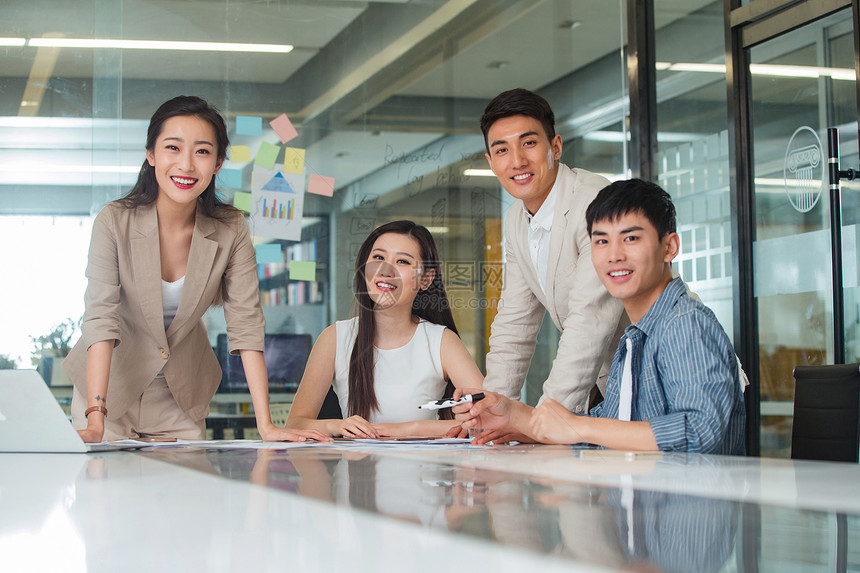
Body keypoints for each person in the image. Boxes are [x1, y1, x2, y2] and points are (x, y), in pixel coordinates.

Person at [64, 95, 327, 444]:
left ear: (217, 163)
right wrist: (95, 418)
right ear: (151, 154)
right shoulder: (115, 221)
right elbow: (100, 318)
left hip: (181, 397)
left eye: (202, 152)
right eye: (173, 147)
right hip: (110, 391)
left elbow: (246, 324)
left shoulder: (231, 227)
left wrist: (266, 425)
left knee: (189, 496)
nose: (186, 164)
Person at [456, 179, 745, 454]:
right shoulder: (635, 337)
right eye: (601, 241)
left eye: (630, 238)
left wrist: (577, 426)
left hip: (693, 504)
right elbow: (612, 426)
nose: (614, 255)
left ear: (668, 248)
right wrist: (518, 419)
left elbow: (699, 431)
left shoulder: (684, 324)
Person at [479, 88, 626, 442]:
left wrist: (544, 423)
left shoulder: (593, 202)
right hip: (617, 387)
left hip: (672, 375)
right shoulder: (517, 219)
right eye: (502, 150)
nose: (516, 161)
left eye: (528, 143)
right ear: (490, 161)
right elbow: (514, 324)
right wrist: (491, 412)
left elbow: (589, 320)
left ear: (555, 147)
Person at [286, 220, 485, 438]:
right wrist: (336, 426)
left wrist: (405, 429)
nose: (386, 270)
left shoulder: (441, 341)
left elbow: (487, 421)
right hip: (355, 469)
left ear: (425, 280)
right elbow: (295, 424)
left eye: (402, 261)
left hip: (424, 470)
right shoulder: (335, 338)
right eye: (378, 258)